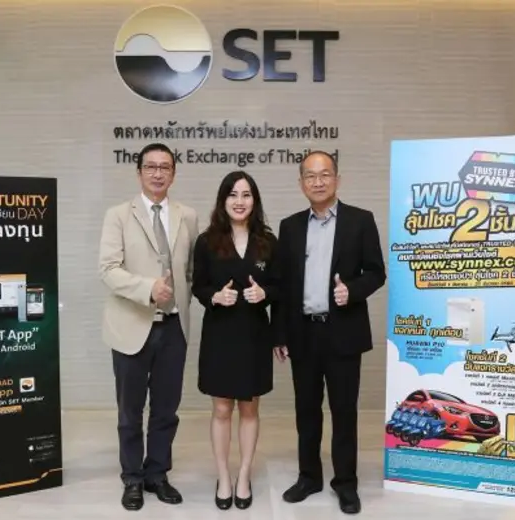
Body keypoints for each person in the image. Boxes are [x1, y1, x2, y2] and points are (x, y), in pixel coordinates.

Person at [273, 150, 386, 515]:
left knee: (343, 412)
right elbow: (282, 285)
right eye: (310, 175)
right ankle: (309, 477)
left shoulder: (360, 221)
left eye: (324, 174)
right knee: (306, 411)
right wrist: (279, 334)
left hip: (343, 333)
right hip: (303, 334)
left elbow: (376, 272)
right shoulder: (290, 227)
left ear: (337, 179)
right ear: (301, 183)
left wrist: (351, 290)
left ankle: (346, 483)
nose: (318, 182)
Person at [98, 142, 200, 511]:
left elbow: (191, 271)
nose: (158, 173)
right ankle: (132, 478)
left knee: (166, 409)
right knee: (130, 411)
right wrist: (148, 289)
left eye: (165, 167)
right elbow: (108, 269)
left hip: (174, 327)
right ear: (139, 171)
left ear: (174, 173)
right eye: (151, 167)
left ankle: (157, 473)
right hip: (131, 325)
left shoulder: (188, 216)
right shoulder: (118, 215)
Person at [191, 171, 279, 510]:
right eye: (232, 194)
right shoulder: (207, 241)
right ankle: (223, 476)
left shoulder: (267, 242)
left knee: (249, 407)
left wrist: (265, 293)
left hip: (254, 334)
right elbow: (198, 285)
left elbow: (281, 286)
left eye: (246, 195)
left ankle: (243, 475)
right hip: (220, 334)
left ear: (254, 201)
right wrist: (214, 297)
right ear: (222, 200)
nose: (239, 201)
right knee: (222, 408)